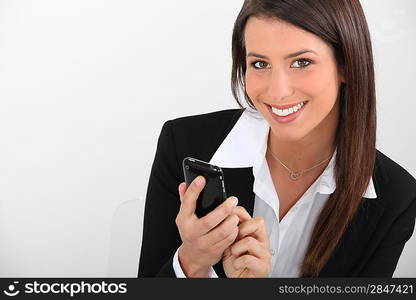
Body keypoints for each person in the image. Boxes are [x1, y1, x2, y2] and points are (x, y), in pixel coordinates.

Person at [138, 0, 416, 278]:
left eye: (301, 62)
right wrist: (191, 263)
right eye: (259, 63)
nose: (278, 91)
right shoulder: (183, 144)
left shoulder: (394, 198)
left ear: (346, 64)